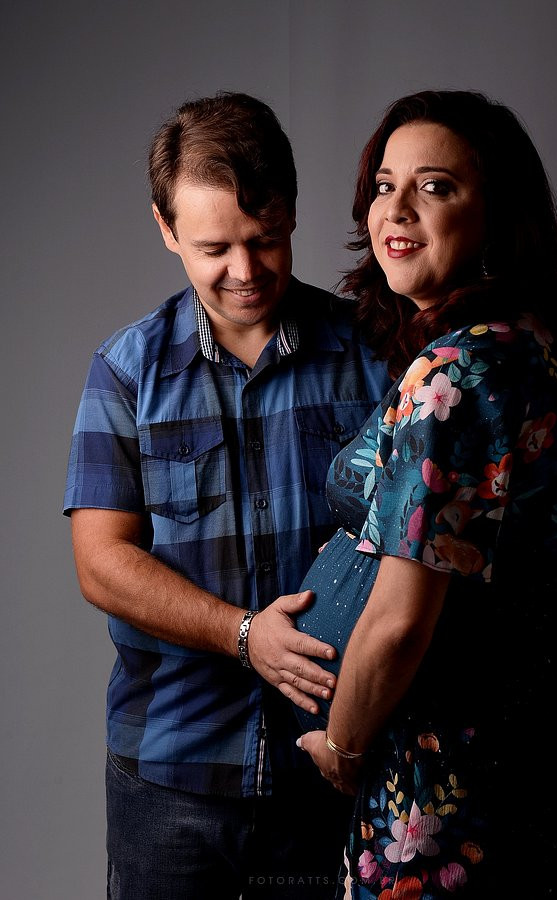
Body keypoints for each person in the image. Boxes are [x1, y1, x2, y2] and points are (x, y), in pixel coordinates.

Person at [297, 91, 557, 899]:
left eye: (435, 186)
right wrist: (521, 598)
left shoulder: (453, 372)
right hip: (536, 752)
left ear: (495, 215)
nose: (396, 209)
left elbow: (401, 619)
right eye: (384, 185)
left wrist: (342, 748)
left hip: (441, 780)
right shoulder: (539, 347)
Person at [63, 92, 392, 899]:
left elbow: (442, 531)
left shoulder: (374, 354)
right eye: (214, 247)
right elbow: (101, 562)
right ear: (166, 228)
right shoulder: (125, 371)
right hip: (168, 770)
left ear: (291, 213)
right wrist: (244, 636)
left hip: (331, 765)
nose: (244, 272)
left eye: (264, 239)